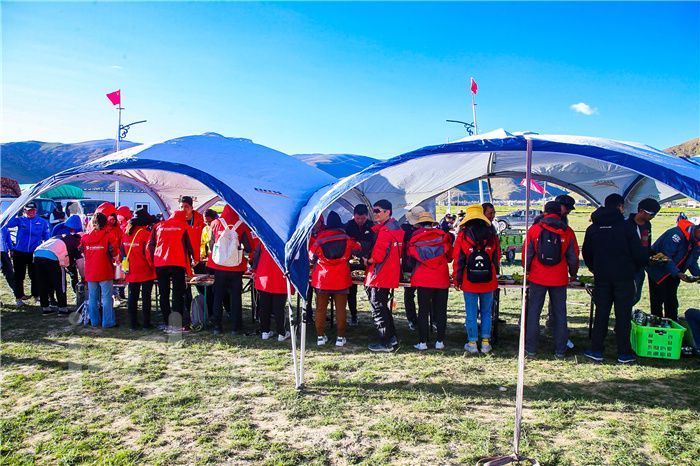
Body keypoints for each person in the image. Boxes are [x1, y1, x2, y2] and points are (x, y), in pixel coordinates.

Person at [582, 194, 647, 364]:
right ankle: (624, 353)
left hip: (602, 276)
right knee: (623, 315)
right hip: (624, 277)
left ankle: (596, 350)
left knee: (601, 313)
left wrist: (593, 267)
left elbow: (586, 252)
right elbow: (638, 253)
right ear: (620, 207)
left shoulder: (593, 228)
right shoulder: (627, 228)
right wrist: (636, 267)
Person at [524, 201, 579, 358]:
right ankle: (560, 350)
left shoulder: (535, 229)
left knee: (534, 312)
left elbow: (527, 254)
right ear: (560, 213)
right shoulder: (567, 231)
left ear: (545, 212)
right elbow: (573, 256)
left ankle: (531, 348)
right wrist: (573, 273)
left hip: (537, 276)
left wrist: (527, 270)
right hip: (559, 277)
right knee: (560, 314)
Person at [453, 205, 500, 354]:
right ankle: (485, 343)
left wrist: (457, 280)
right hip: (488, 280)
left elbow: (458, 260)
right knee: (487, 312)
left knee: (471, 313)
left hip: (469, 280)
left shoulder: (462, 236)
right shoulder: (492, 235)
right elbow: (497, 258)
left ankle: (472, 343)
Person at [310, 211, 360, 347]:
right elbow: (358, 248)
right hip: (341, 278)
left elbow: (311, 256)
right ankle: (340, 337)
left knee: (320, 309)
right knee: (341, 309)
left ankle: (320, 337)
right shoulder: (346, 238)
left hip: (322, 278)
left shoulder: (320, 238)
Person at [407, 212, 452, 350]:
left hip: (423, 278)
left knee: (423, 311)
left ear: (419, 224)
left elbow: (410, 257)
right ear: (433, 224)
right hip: (441, 277)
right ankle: (440, 342)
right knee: (441, 310)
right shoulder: (443, 237)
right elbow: (450, 257)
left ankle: (422, 342)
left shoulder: (415, 238)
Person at [364, 199, 404, 352]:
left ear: (388, 212)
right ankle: (391, 338)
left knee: (378, 308)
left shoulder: (385, 231)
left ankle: (385, 342)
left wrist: (367, 261)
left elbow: (378, 256)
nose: (374, 214)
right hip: (389, 273)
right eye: (373, 211)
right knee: (383, 307)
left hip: (380, 275)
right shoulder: (395, 228)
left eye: (377, 211)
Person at [208, 205, 253, 335]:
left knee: (218, 296)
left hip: (219, 265)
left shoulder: (215, 223)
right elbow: (249, 247)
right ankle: (235, 327)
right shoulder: (242, 225)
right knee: (235, 297)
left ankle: (217, 326)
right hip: (236, 267)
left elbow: (211, 244)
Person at [149, 210, 195, 333]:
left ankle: (166, 321)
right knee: (177, 294)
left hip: (160, 263)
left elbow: (150, 245)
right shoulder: (184, 226)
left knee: (163, 294)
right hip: (177, 263)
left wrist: (153, 260)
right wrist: (195, 259)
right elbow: (191, 245)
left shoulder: (158, 226)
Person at [646, 217, 700, 321]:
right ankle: (657, 324)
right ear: (698, 229)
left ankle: (672, 323)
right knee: (657, 300)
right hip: (658, 270)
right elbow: (665, 256)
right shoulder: (676, 234)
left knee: (671, 301)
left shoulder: (696, 241)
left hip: (674, 273)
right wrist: (678, 273)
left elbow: (693, 260)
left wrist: (698, 275)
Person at [33, 214, 83, 316]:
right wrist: (84, 276)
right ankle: (62, 308)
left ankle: (45, 308)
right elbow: (80, 263)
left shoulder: (60, 236)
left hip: (37, 254)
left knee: (43, 282)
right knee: (60, 283)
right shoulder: (76, 242)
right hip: (53, 257)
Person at [2, 202, 50, 306]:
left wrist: (47, 248)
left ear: (36, 211)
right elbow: (7, 223)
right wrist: (14, 211)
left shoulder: (42, 222)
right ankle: (18, 297)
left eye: (32, 211)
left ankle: (36, 296)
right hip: (20, 252)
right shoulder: (20, 220)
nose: (30, 213)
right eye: (28, 211)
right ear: (24, 211)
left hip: (34, 252)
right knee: (19, 275)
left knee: (35, 275)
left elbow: (46, 236)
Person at [80, 213, 119, 328]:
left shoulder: (85, 237)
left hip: (91, 271)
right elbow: (115, 253)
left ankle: (94, 321)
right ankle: (108, 322)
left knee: (92, 297)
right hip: (105, 270)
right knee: (106, 297)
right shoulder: (109, 235)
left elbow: (82, 252)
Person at [121, 209, 157, 330]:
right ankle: (146, 323)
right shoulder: (145, 234)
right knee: (146, 298)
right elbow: (149, 254)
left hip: (131, 270)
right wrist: (153, 267)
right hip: (145, 270)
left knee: (132, 297)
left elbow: (122, 253)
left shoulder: (125, 234)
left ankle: (133, 323)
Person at [250, 242, 292, 341]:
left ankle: (265, 331)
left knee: (264, 307)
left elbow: (255, 257)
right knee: (278, 308)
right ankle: (281, 333)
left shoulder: (264, 241)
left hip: (264, 277)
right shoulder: (286, 242)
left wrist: (254, 271)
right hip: (280, 278)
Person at [344, 204, 375, 325]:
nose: (360, 221)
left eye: (363, 218)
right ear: (354, 216)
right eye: (358, 218)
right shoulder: (348, 226)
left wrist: (369, 257)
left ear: (367, 216)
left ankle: (375, 314)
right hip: (352, 263)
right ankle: (354, 315)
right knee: (351, 291)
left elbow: (375, 244)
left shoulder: (372, 226)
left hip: (368, 263)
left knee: (371, 290)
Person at [627, 198, 661, 305]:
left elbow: (646, 244)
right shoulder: (626, 225)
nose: (653, 217)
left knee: (636, 296)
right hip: (627, 267)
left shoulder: (647, 225)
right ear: (641, 211)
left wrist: (654, 256)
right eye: (651, 214)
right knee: (627, 296)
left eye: (655, 215)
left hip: (641, 267)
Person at [179, 196, 206, 314]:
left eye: (186, 207)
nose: (183, 209)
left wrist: (200, 255)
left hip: (198, 254)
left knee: (201, 282)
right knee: (185, 283)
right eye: (181, 207)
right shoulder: (177, 218)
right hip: (183, 254)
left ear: (191, 207)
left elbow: (204, 237)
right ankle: (187, 308)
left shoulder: (199, 218)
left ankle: (205, 306)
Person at [401, 206, 426, 331]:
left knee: (424, 294)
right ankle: (412, 319)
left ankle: (423, 319)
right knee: (409, 293)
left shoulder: (426, 229)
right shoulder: (405, 229)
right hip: (409, 266)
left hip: (422, 265)